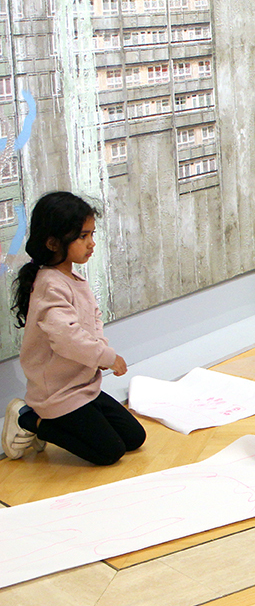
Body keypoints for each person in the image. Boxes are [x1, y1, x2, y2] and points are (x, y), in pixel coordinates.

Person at [3, 191, 146, 465]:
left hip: (83, 386)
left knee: (133, 437)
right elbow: (67, 340)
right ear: (53, 242)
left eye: (92, 234)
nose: (91, 243)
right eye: (83, 236)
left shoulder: (74, 278)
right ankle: (28, 419)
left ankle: (66, 422)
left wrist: (101, 351)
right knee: (109, 452)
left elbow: (93, 320)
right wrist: (107, 357)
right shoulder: (49, 284)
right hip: (58, 393)